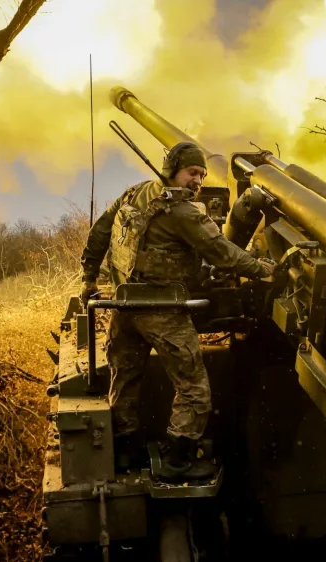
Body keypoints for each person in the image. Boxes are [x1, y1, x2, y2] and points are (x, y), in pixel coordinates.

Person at [79, 142, 273, 482]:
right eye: (192, 173)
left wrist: (88, 278)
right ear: (172, 170)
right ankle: (177, 457)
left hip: (124, 306)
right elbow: (221, 252)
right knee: (194, 387)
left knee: (125, 378)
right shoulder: (184, 213)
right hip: (163, 310)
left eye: (201, 175)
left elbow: (100, 232)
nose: (197, 181)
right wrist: (261, 269)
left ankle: (126, 449)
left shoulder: (134, 194)